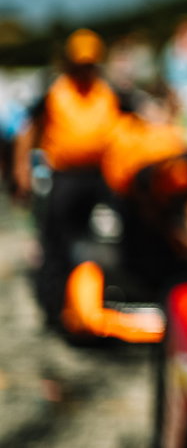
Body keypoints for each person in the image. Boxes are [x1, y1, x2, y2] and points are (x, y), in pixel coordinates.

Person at [11, 29, 132, 326]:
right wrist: (21, 170)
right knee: (56, 241)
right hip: (64, 176)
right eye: (79, 64)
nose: (84, 70)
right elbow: (27, 131)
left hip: (102, 174)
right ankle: (55, 307)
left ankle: (117, 297)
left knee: (118, 231)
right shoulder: (55, 91)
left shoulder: (108, 92)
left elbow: (135, 123)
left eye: (90, 64)